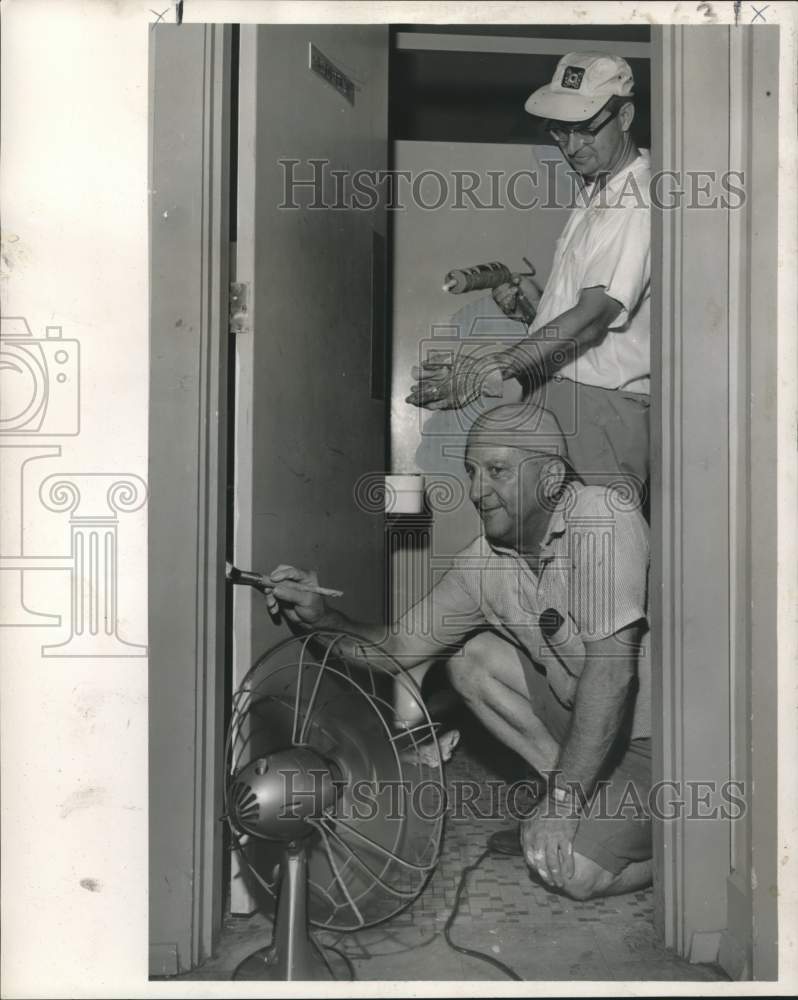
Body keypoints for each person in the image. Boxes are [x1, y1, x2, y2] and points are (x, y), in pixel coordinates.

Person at [265, 402, 652, 900]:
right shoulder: (485, 562)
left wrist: (560, 804)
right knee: (468, 660)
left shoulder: (602, 516)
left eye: (496, 471)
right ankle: (586, 794)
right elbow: (400, 646)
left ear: (552, 477)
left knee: (572, 873)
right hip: (590, 723)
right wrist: (323, 619)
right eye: (471, 472)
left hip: (662, 744)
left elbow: (613, 675)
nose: (475, 491)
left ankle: (680, 840)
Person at [406, 52, 651, 493]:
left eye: (586, 129)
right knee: (560, 550)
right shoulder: (600, 190)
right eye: (561, 130)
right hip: (566, 395)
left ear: (626, 115)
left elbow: (595, 316)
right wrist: (531, 307)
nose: (571, 146)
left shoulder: (637, 196)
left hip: (602, 409)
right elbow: (592, 316)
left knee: (604, 547)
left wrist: (495, 368)